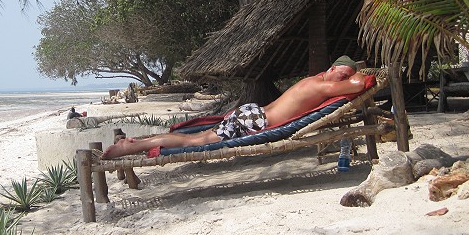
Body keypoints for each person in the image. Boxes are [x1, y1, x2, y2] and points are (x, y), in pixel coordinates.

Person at [103, 56, 366, 158]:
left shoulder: (315, 79)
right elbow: (358, 85)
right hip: (255, 121)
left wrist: (350, 74)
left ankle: (138, 142)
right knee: (192, 142)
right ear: (330, 68)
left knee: (193, 138)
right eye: (340, 74)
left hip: (252, 114)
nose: (342, 79)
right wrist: (359, 76)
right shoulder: (321, 86)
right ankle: (131, 147)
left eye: (344, 76)